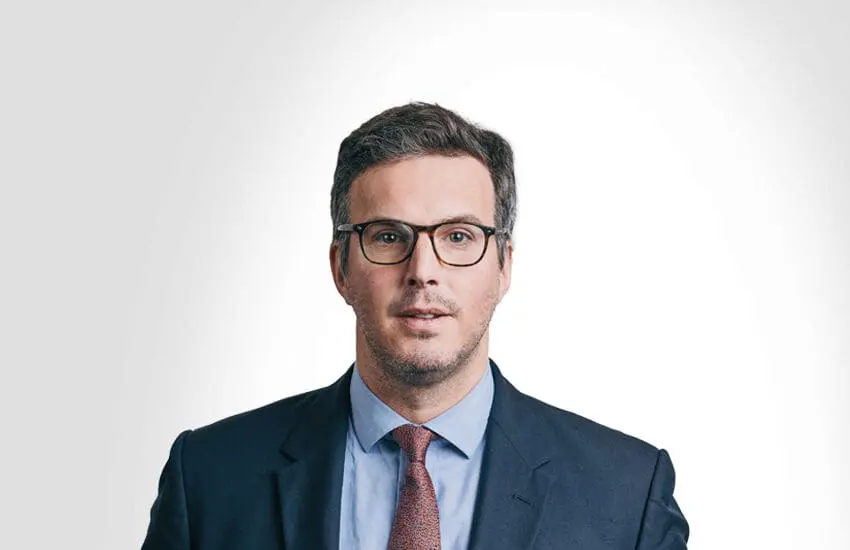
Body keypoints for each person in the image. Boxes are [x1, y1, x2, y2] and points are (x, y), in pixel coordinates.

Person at [141, 102, 690, 549]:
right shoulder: (210, 478)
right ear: (340, 267)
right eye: (387, 236)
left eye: (458, 237)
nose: (423, 270)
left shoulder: (626, 497)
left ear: (503, 267)